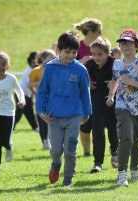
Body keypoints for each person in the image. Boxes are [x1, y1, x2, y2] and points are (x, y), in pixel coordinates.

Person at [36, 31, 91, 187]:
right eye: (67, 52)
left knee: (70, 151)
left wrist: (87, 113)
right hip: (54, 117)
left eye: (74, 52)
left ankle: (68, 180)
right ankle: (55, 165)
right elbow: (42, 92)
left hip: (74, 116)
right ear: (59, 49)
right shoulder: (49, 68)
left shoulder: (80, 70)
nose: (71, 55)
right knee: (56, 152)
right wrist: (41, 112)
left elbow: (85, 93)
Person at [106, 28, 138, 187]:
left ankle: (134, 169)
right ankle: (122, 173)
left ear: (137, 46)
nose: (125, 46)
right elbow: (115, 80)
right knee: (126, 137)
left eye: (129, 43)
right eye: (122, 43)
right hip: (122, 107)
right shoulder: (117, 64)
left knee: (137, 140)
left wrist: (130, 82)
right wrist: (111, 95)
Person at [85, 37, 119, 173]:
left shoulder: (115, 64)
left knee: (113, 129)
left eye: (100, 54)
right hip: (96, 101)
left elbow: (123, 78)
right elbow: (82, 77)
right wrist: (88, 84)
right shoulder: (90, 65)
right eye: (93, 54)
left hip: (112, 101)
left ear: (108, 53)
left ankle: (115, 151)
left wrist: (114, 84)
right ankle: (97, 163)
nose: (96, 57)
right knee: (97, 130)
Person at [74, 18, 103, 156]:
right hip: (82, 89)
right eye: (99, 31)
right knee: (84, 124)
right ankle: (86, 152)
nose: (101, 33)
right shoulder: (78, 46)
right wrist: (81, 61)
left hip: (101, 88)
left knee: (101, 122)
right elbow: (68, 64)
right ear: (91, 32)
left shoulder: (102, 45)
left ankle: (104, 150)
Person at [28, 49, 56, 150]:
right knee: (42, 121)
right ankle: (45, 141)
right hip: (41, 100)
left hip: (52, 99)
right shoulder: (37, 70)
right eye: (51, 58)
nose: (54, 59)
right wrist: (36, 90)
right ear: (43, 59)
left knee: (53, 120)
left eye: (54, 57)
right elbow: (30, 84)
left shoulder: (56, 69)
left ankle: (52, 141)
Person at [13, 51, 38, 132]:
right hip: (21, 94)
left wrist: (31, 98)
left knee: (29, 112)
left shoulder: (34, 70)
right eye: (37, 57)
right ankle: (9, 126)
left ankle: (35, 127)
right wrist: (36, 94)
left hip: (27, 94)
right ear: (32, 61)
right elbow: (29, 85)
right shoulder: (29, 71)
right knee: (19, 113)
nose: (39, 58)